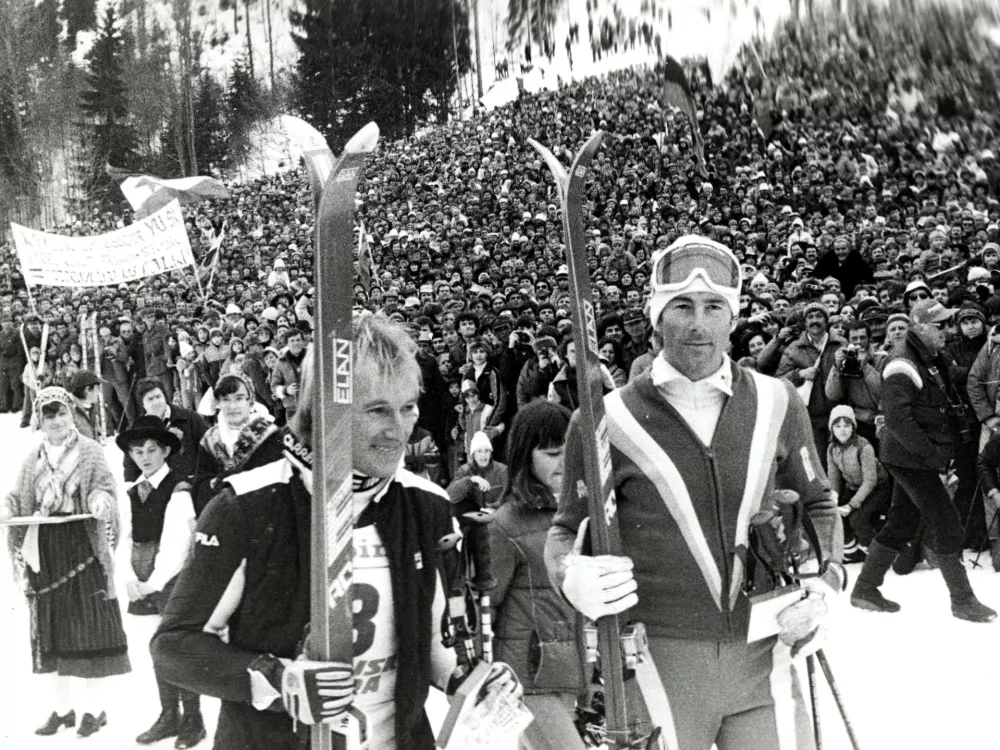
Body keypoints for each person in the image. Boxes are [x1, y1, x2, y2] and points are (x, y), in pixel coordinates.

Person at [151, 315, 521, 750]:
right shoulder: (247, 505)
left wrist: (470, 680)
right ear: (324, 413)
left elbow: (436, 644)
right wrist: (278, 680)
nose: (399, 429)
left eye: (407, 407)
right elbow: (174, 646)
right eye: (377, 410)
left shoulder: (426, 504)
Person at [546, 236, 843, 750]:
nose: (697, 324)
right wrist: (572, 575)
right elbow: (565, 531)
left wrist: (823, 583)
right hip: (660, 661)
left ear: (734, 317)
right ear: (655, 316)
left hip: (764, 655)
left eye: (713, 307)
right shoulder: (603, 420)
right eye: (681, 306)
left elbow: (818, 503)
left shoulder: (778, 401)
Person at [851, 298, 997, 622]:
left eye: (947, 323)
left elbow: (959, 378)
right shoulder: (900, 363)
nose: (947, 329)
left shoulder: (930, 355)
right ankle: (962, 600)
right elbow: (898, 421)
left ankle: (865, 588)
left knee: (902, 521)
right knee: (948, 524)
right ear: (919, 327)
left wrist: (989, 351)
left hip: (913, 456)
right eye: (939, 324)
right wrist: (933, 458)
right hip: (909, 457)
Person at [2, 386, 130, 739]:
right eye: (48, 415)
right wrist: (8, 508)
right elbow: (19, 496)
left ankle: (94, 710)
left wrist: (100, 502)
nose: (55, 420)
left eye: (60, 413)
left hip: (81, 547)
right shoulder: (33, 458)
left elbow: (103, 487)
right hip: (44, 550)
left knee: (90, 629)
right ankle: (62, 711)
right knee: (51, 632)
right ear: (40, 421)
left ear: (71, 415)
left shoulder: (90, 452)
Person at [488, 401, 586, 750]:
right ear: (524, 458)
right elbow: (486, 604)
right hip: (525, 674)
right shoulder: (508, 522)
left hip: (568, 669)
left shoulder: (581, 513)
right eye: (551, 453)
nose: (563, 462)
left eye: (569, 451)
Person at [117, 416, 205, 748]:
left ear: (166, 451)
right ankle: (169, 715)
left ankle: (193, 719)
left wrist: (153, 582)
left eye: (152, 450)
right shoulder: (132, 491)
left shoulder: (178, 489)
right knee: (156, 648)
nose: (145, 457)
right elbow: (123, 539)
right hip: (141, 580)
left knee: (178, 649)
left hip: (171, 581)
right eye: (138, 451)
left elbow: (177, 544)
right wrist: (128, 579)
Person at [189, 373, 283, 515]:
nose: (232, 406)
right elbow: (200, 485)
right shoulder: (210, 439)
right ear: (218, 403)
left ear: (250, 401)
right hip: (223, 515)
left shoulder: (269, 434)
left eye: (239, 398)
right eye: (225, 399)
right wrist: (216, 483)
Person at [827, 405, 891, 558]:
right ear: (832, 429)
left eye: (847, 425)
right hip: (854, 487)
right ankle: (853, 550)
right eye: (838, 426)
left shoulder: (863, 447)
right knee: (836, 515)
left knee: (857, 518)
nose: (842, 430)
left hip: (877, 488)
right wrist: (834, 499)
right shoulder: (832, 449)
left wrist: (851, 505)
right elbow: (834, 477)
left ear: (853, 427)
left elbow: (870, 480)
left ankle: (874, 552)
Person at [124, 377, 208, 483]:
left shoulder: (190, 418)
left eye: (158, 397)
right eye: (150, 399)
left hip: (192, 483)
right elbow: (130, 468)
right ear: (143, 404)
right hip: (159, 490)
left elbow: (208, 449)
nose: (155, 402)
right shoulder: (137, 430)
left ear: (165, 397)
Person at [446, 430, 508, 516]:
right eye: (479, 451)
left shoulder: (503, 470)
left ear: (491, 453)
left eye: (487, 451)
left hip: (497, 516)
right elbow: (450, 496)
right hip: (472, 517)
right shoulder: (464, 470)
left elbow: (512, 497)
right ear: (473, 454)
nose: (483, 455)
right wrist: (471, 479)